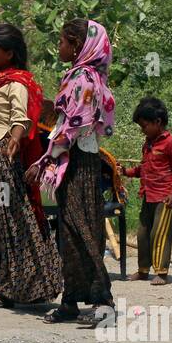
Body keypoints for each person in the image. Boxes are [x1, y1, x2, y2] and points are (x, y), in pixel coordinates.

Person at [28, 19, 117, 326]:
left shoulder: (82, 79)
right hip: (81, 162)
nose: (59, 47)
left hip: (79, 163)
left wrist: (45, 158)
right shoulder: (90, 76)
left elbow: (73, 128)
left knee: (82, 232)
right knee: (70, 234)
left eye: (63, 42)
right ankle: (70, 301)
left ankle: (104, 303)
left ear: (78, 46)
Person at [0, 24, 62, 310]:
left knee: (11, 220)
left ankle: (11, 288)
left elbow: (21, 118)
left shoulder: (17, 83)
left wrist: (14, 137)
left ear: (9, 54)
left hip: (4, 161)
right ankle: (19, 284)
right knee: (3, 221)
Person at [122, 97, 172, 285]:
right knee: (143, 234)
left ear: (158, 122)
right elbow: (143, 168)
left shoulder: (171, 143)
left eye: (145, 126)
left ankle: (161, 271)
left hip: (164, 197)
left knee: (159, 234)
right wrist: (126, 172)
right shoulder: (148, 143)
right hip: (148, 194)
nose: (143, 130)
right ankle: (143, 270)